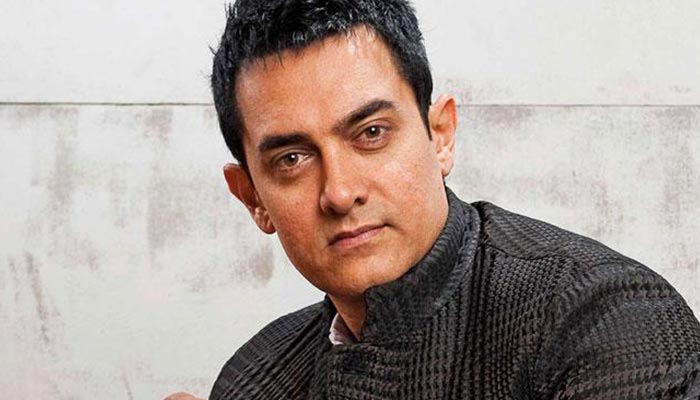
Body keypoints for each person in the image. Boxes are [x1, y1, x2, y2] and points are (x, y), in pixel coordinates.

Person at [165, 0, 700, 398]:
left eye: (371, 133)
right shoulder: (256, 376)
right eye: (292, 159)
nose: (340, 192)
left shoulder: (606, 316)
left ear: (440, 135)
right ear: (252, 198)